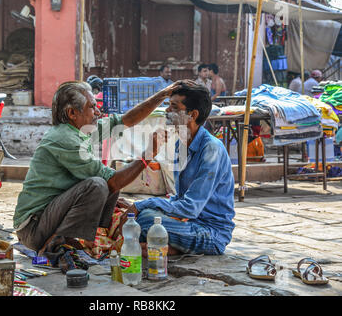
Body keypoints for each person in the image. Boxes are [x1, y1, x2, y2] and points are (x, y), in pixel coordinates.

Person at [13, 80, 189, 255]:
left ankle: (91, 235)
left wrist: (162, 95)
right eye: (92, 107)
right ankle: (60, 245)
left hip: (50, 215)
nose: (97, 112)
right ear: (73, 113)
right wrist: (147, 155)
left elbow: (124, 121)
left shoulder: (80, 129)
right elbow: (112, 182)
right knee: (99, 184)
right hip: (33, 228)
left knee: (108, 183)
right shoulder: (65, 139)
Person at [116, 84, 236, 256]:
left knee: (146, 220)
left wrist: (142, 204)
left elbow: (190, 208)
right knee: (139, 217)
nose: (166, 111)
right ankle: (167, 248)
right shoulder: (182, 143)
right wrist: (142, 207)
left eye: (174, 107)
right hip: (188, 223)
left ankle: (167, 248)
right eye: (168, 105)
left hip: (211, 234)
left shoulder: (211, 149)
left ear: (192, 115)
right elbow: (178, 199)